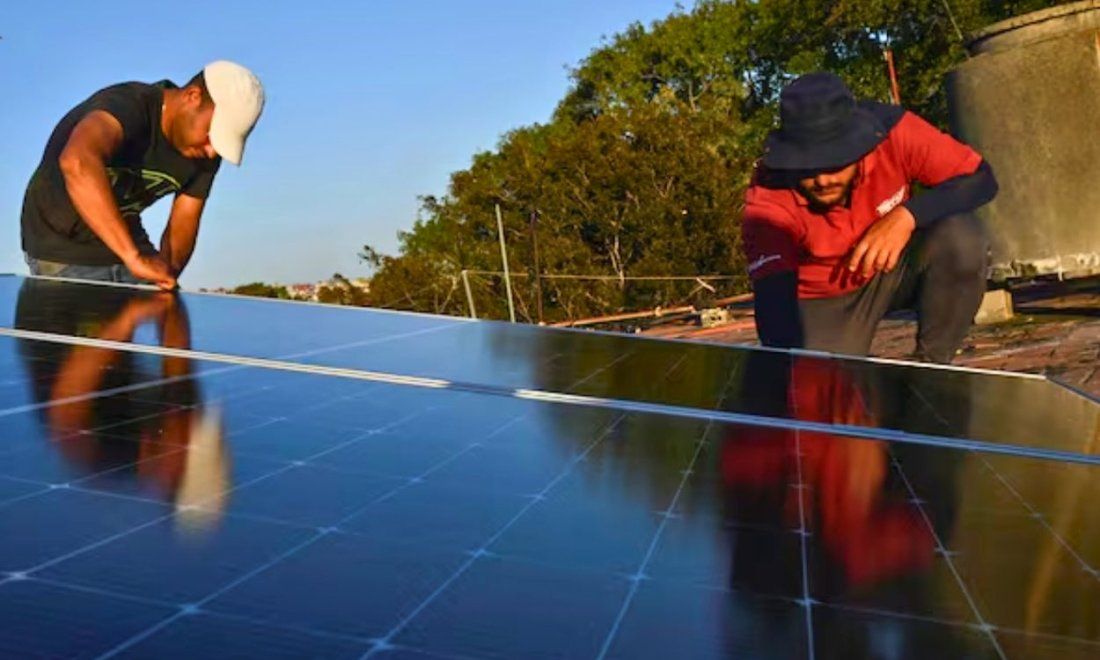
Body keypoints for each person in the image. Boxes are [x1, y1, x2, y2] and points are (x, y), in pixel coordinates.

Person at [741, 72, 998, 363]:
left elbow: (982, 179)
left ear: (858, 147)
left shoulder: (896, 133)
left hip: (892, 272)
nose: (823, 180)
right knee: (823, 390)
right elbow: (775, 308)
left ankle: (932, 367)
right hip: (823, 299)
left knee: (961, 236)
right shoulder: (766, 201)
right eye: (808, 167)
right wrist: (792, 375)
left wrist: (907, 216)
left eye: (836, 161)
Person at [20, 61, 265, 290]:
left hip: (128, 241)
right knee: (76, 335)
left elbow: (185, 220)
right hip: (62, 245)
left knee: (152, 320)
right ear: (192, 96)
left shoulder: (206, 151)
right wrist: (133, 256)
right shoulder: (126, 105)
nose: (212, 152)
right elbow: (77, 162)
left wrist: (168, 274)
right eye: (212, 135)